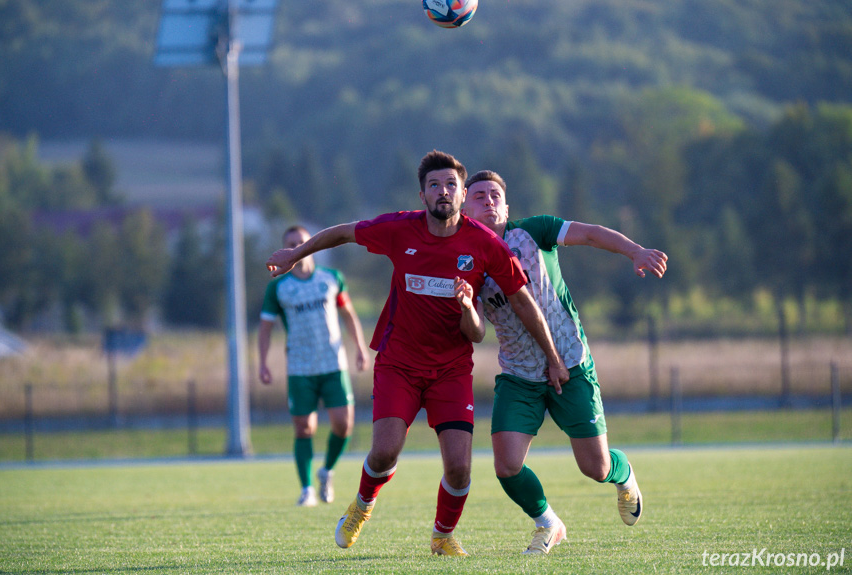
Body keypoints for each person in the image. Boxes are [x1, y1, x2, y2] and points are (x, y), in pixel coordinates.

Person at [266, 151, 568, 557]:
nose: (443, 192)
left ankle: (442, 536)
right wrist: (293, 255)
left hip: (451, 369)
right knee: (385, 450)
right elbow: (342, 233)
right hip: (399, 363)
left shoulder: (484, 244)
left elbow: (512, 309)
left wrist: (551, 354)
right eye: (434, 185)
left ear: (462, 194)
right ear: (422, 194)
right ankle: (361, 506)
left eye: (451, 186)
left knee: (460, 469)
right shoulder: (399, 229)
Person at [460, 169, 668, 556]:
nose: (488, 200)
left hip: (570, 365)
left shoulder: (534, 231)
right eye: (478, 196)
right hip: (519, 374)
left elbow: (590, 233)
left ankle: (623, 475)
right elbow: (474, 330)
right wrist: (461, 306)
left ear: (507, 206)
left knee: (596, 469)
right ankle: (548, 523)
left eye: (494, 195)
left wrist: (636, 251)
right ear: (464, 207)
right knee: (506, 466)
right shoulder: (465, 259)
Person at [258, 225, 370, 507]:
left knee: (344, 426)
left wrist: (359, 348)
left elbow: (349, 315)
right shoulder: (278, 287)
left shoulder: (331, 279)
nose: (297, 247)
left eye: (302, 242)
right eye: (291, 243)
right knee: (303, 428)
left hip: (333, 363)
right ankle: (307, 488)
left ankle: (326, 470)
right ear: (285, 249)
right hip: (300, 367)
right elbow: (265, 328)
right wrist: (262, 362)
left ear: (311, 245)